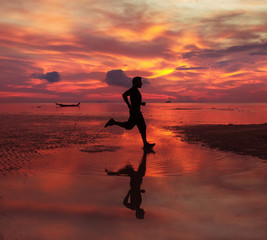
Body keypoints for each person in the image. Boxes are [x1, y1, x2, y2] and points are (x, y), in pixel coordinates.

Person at [105, 76, 155, 149]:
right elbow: (124, 95)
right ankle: (145, 144)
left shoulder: (135, 90)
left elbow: (134, 100)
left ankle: (113, 122)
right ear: (135, 83)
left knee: (130, 126)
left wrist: (140, 103)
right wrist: (128, 105)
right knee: (142, 127)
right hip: (135, 112)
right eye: (140, 82)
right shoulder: (133, 90)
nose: (141, 83)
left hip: (135, 111)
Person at [105, 148, 154, 219]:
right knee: (135, 171)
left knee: (136, 172)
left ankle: (144, 154)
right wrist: (140, 191)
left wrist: (129, 193)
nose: (144, 212)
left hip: (135, 184)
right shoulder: (137, 205)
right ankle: (144, 155)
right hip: (136, 185)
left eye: (142, 213)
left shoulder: (133, 207)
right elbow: (135, 193)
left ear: (139, 213)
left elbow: (124, 202)